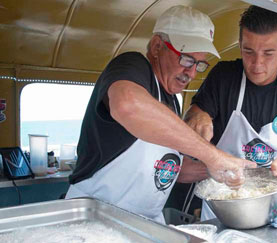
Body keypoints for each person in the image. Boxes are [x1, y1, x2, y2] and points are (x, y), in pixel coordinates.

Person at [65, 5, 255, 224]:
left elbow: (169, 168)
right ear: (157, 47)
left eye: (199, 64)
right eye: (186, 59)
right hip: (96, 220)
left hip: (146, 223)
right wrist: (213, 156)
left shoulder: (172, 101)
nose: (191, 73)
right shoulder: (133, 66)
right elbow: (128, 105)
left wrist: (218, 169)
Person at [184, 5, 277, 221]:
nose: (257, 64)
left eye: (268, 53)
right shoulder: (224, 76)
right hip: (221, 204)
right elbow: (194, 117)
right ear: (240, 46)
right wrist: (199, 117)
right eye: (248, 51)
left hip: (271, 202)